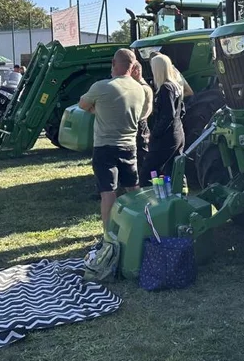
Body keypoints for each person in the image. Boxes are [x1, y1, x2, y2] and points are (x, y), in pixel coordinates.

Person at [78, 49, 150, 231]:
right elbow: (142, 115)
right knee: (133, 189)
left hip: (105, 146)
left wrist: (97, 110)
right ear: (133, 67)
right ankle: (140, 227)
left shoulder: (101, 86)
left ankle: (108, 233)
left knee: (108, 192)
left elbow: (83, 104)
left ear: (113, 63)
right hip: (129, 145)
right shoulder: (141, 90)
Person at [142, 53, 187, 186]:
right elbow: (182, 110)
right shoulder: (176, 86)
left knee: (148, 170)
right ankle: (179, 197)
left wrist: (155, 133)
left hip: (166, 137)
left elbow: (168, 115)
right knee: (174, 170)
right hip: (178, 133)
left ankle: (148, 199)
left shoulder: (165, 88)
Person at [130, 62, 154, 181]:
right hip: (136, 123)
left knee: (142, 154)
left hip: (139, 124)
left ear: (136, 71)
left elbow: (146, 110)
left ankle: (144, 180)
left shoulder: (143, 88)